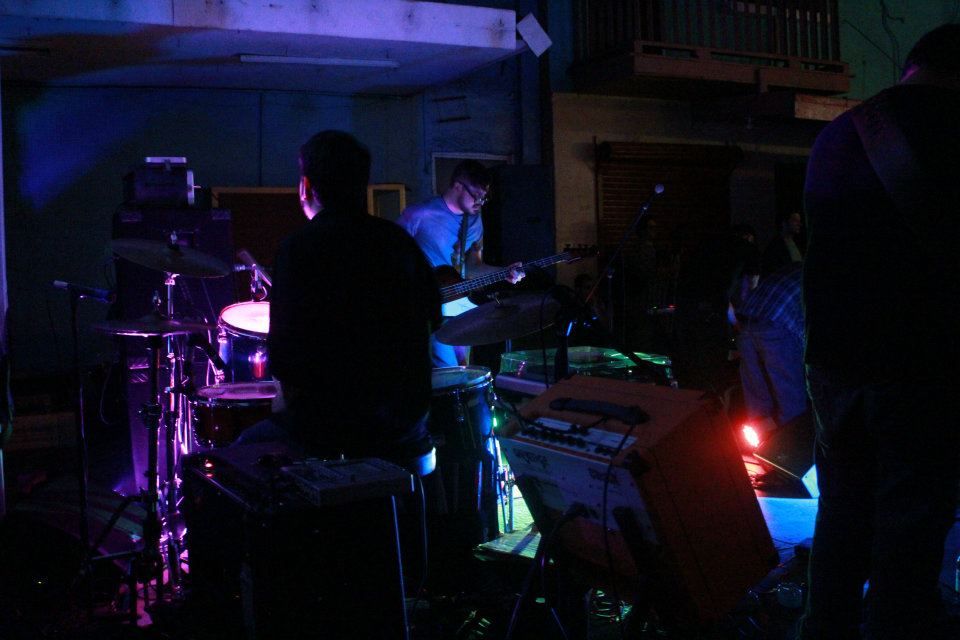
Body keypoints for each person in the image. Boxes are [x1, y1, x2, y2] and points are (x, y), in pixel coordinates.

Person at [799, 24, 960, 640]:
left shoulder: (841, 132)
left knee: (841, 514)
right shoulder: (953, 130)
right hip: (922, 366)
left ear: (912, 65)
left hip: (835, 366)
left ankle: (825, 628)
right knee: (910, 530)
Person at [251, 130, 440, 464]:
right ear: (362, 185)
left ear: (306, 187)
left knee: (240, 451)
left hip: (333, 431)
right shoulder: (399, 242)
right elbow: (433, 317)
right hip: (405, 425)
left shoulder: (297, 248)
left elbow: (284, 355)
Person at [397, 161, 523, 368]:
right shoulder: (418, 215)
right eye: (476, 196)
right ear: (457, 186)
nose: (480, 202)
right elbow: (391, 257)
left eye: (484, 197)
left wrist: (504, 272)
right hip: (427, 306)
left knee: (463, 368)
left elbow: (473, 266)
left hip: (459, 304)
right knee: (448, 369)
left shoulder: (474, 221)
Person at [736, 262, 806, 443]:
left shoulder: (797, 267)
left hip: (748, 317)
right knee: (792, 402)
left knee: (757, 396)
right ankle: (788, 448)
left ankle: (760, 443)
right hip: (778, 321)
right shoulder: (821, 276)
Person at [761, 210, 804, 277]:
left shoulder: (797, 244)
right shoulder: (775, 247)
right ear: (784, 223)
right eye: (795, 221)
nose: (800, 224)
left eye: (799, 221)